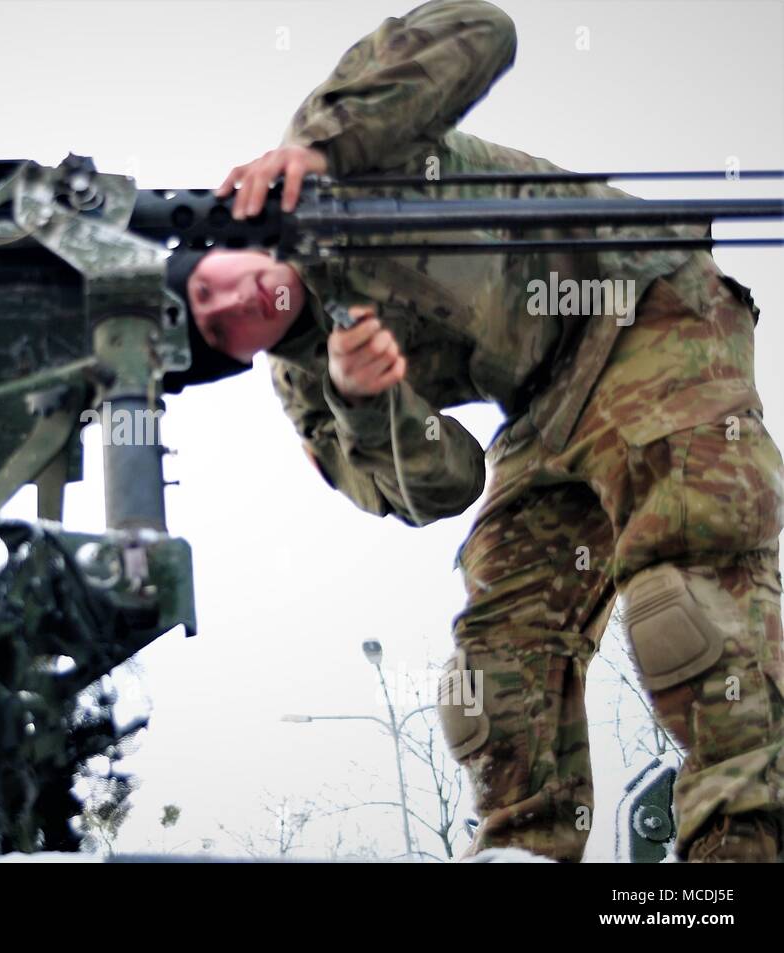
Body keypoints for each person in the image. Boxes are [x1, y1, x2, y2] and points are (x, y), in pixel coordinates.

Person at [168, 0, 784, 861]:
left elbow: (481, 29)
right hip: (547, 403)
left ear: (218, 243)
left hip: (647, 303)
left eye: (212, 286)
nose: (237, 305)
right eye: (220, 329)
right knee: (495, 659)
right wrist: (369, 401)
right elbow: (444, 485)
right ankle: (523, 850)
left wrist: (327, 141)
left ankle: (744, 843)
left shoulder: (325, 158)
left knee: (681, 595)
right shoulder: (313, 386)